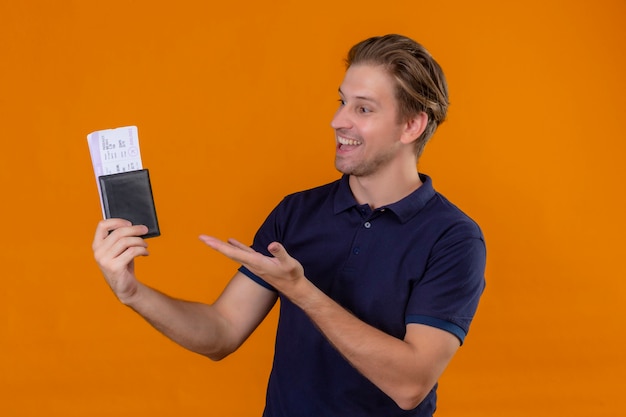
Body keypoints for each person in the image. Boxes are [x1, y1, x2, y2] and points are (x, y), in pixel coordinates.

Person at [92, 34, 486, 416]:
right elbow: (222, 332)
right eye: (342, 102)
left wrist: (300, 290)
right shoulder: (297, 212)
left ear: (411, 126)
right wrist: (132, 293)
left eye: (362, 109)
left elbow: (410, 386)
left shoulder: (453, 238)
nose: (337, 121)